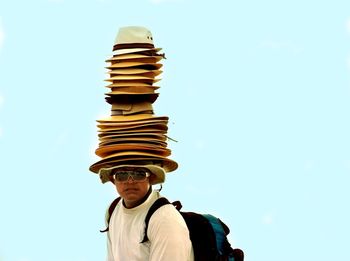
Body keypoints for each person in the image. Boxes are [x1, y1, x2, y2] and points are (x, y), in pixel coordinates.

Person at [99, 163, 194, 261]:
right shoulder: (112, 210)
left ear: (151, 178)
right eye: (121, 175)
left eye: (139, 174)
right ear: (112, 180)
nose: (130, 181)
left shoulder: (165, 219)